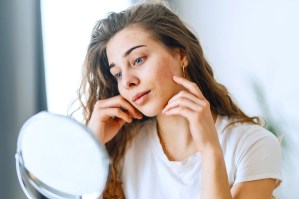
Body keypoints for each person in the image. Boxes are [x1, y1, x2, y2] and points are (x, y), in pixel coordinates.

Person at [78, 3, 282, 199]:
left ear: (181, 54)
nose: (128, 81)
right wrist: (91, 144)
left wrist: (210, 151)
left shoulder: (252, 144)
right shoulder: (127, 146)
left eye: (138, 60)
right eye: (118, 73)